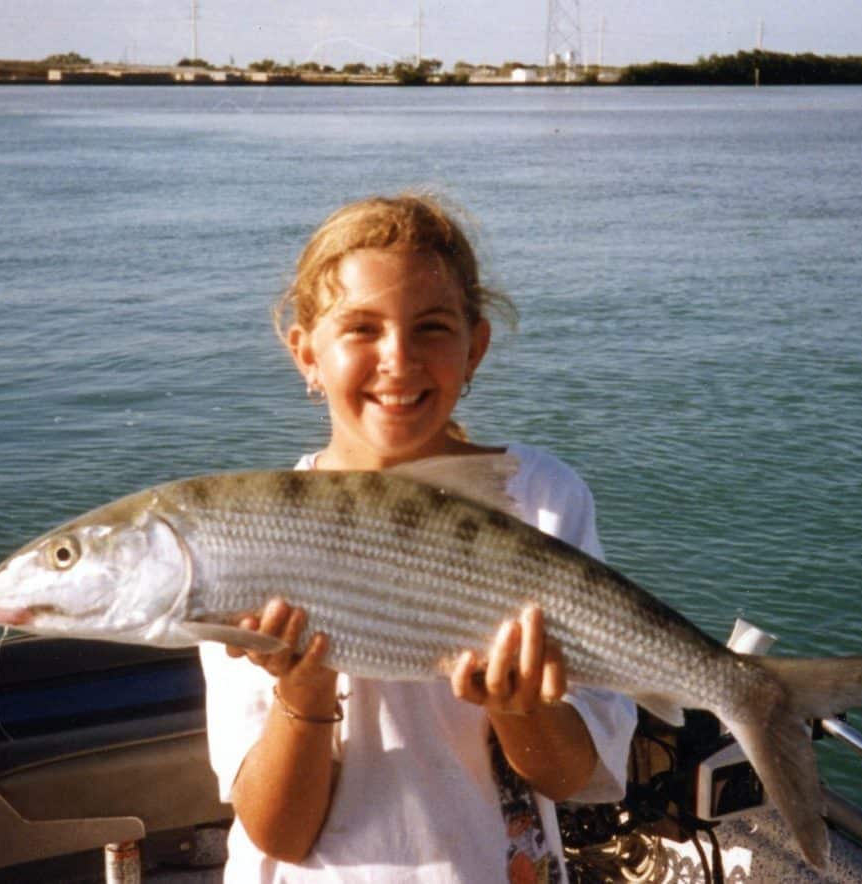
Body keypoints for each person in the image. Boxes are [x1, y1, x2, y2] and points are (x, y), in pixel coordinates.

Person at [200, 194, 638, 883]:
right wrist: (304, 698)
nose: (398, 360)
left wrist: (516, 708)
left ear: (476, 348)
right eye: (361, 329)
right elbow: (279, 835)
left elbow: (571, 776)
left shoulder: (541, 499)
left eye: (431, 328)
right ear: (306, 353)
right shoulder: (251, 531)